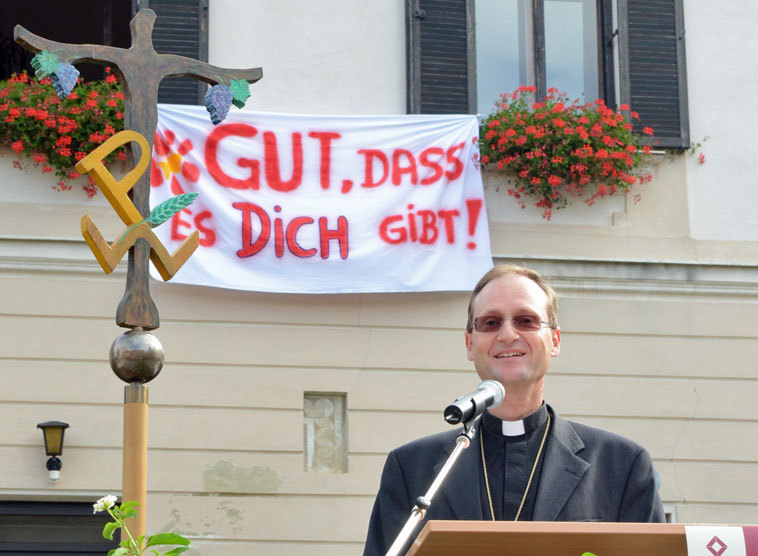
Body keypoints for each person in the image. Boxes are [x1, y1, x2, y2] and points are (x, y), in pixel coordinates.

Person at [364, 264, 664, 555]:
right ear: (470, 344)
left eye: (526, 320)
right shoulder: (411, 468)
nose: (507, 334)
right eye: (490, 323)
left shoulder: (622, 465)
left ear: (555, 340)